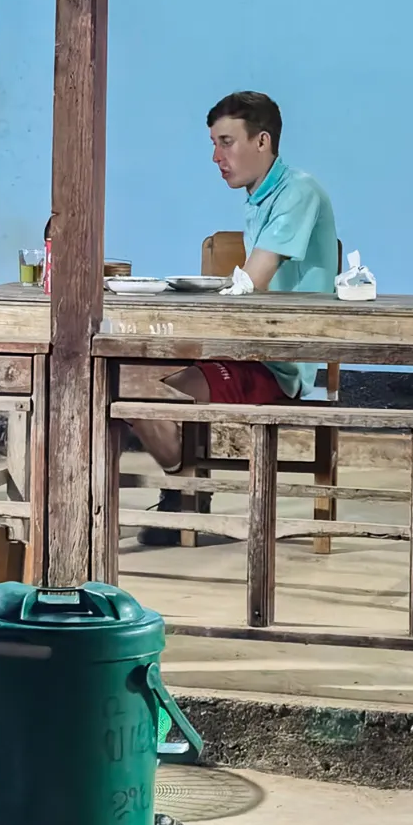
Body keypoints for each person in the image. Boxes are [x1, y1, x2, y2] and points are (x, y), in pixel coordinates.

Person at [128, 91, 338, 547]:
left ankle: (184, 492)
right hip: (248, 346)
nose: (216, 156)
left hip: (280, 360)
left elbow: (254, 281)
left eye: (226, 142)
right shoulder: (260, 195)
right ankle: (184, 490)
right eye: (213, 143)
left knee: (139, 393)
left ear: (262, 141)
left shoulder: (297, 191)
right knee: (127, 376)